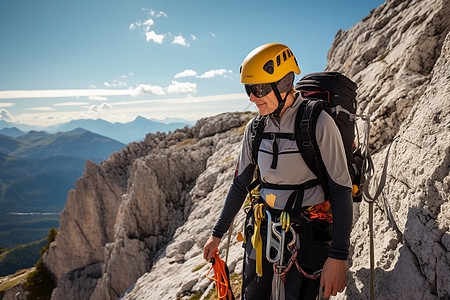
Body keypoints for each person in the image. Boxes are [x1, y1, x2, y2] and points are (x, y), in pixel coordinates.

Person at [203, 43, 353, 299]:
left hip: (308, 233)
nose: (251, 97)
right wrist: (217, 234)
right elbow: (239, 185)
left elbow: (341, 190)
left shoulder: (318, 121)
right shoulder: (255, 129)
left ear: (285, 83)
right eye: (248, 89)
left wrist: (338, 256)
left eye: (259, 88)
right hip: (263, 229)